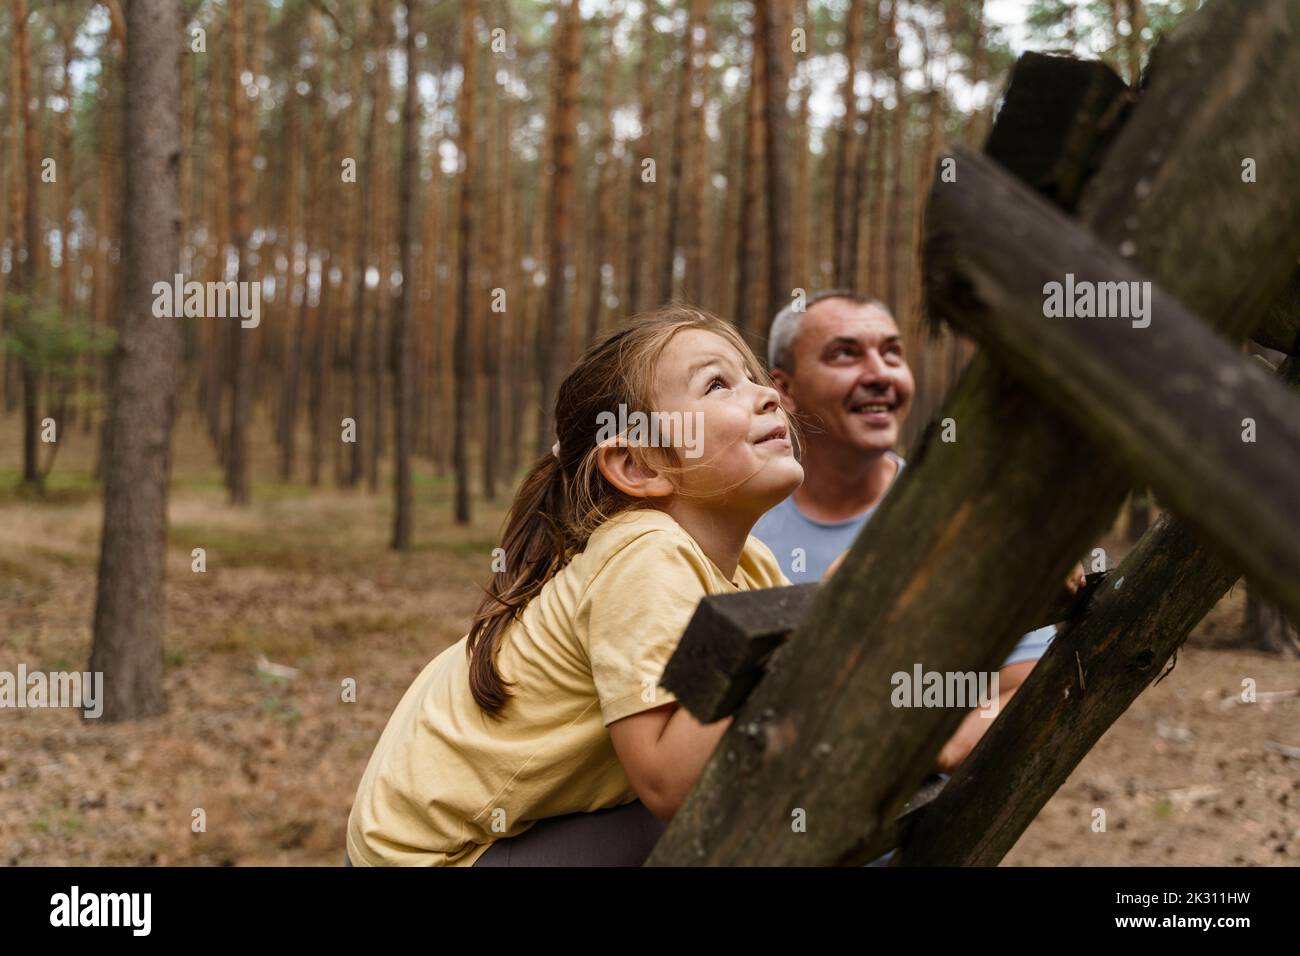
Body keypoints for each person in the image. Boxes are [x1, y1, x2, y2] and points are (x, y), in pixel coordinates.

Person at [345, 305, 804, 865]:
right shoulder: (644, 556)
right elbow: (668, 783)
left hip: (528, 833)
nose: (766, 395)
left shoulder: (752, 564)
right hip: (436, 858)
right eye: (717, 384)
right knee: (711, 827)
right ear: (638, 465)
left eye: (754, 377)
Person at [752, 290, 1084, 773]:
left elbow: (1023, 678)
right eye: (845, 353)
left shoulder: (964, 522)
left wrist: (938, 752)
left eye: (891, 353)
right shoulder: (739, 523)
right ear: (782, 388)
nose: (879, 374)